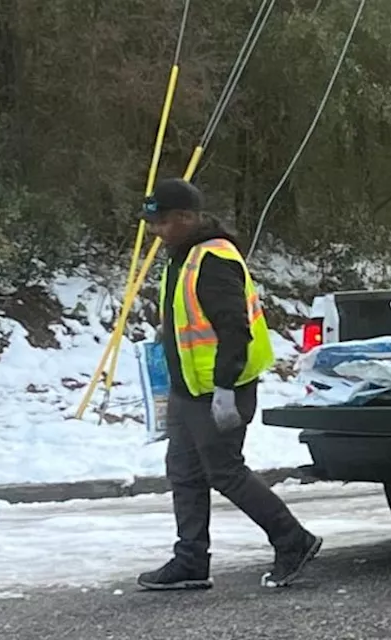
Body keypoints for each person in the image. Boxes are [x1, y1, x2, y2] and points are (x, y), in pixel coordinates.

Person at [136, 177, 321, 591]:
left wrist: (224, 388)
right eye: (153, 223)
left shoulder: (214, 259)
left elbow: (235, 330)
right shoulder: (181, 255)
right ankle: (190, 561)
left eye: (163, 222)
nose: (156, 231)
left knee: (224, 471)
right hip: (190, 390)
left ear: (186, 218)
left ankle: (293, 539)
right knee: (183, 472)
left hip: (220, 389)